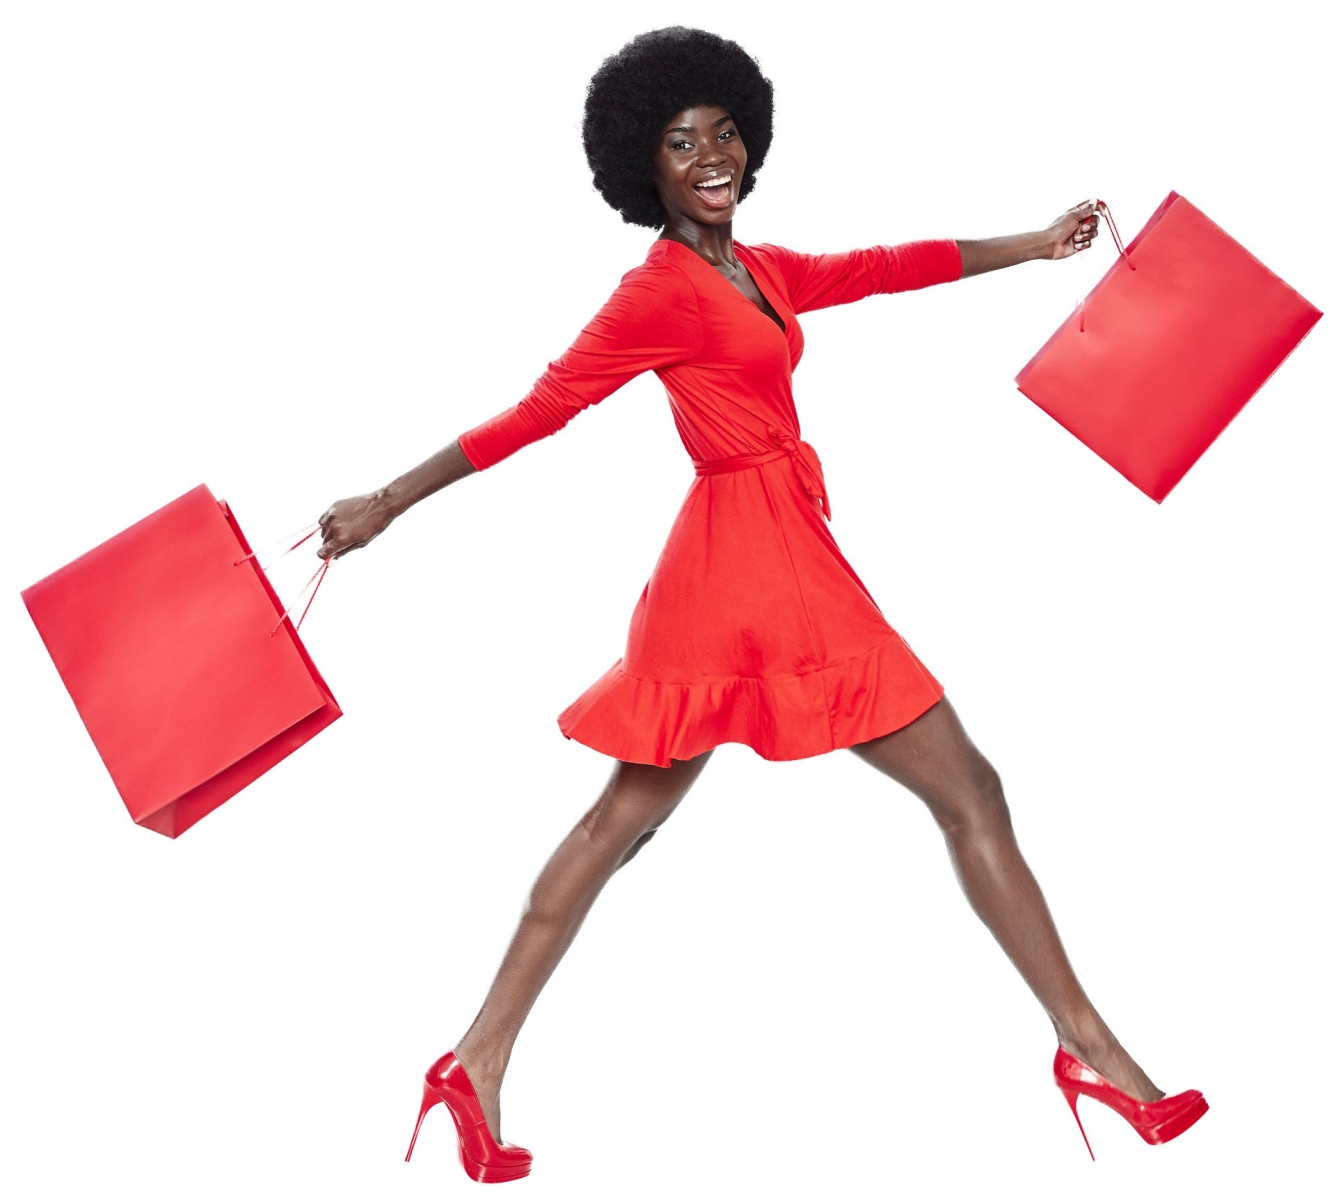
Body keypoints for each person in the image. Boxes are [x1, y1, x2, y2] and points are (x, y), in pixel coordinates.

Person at [317, 26, 1206, 1184]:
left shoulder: (761, 269)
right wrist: (388, 499)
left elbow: (886, 266)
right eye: (681, 141)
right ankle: (1087, 1050)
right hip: (754, 571)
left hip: (759, 556)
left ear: (751, 137)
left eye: (723, 131)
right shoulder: (654, 293)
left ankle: (470, 1063)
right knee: (959, 789)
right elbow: (538, 410)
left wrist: (1034, 245)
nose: (710, 154)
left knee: (618, 825)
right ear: (644, 166)